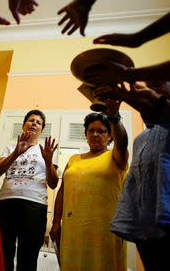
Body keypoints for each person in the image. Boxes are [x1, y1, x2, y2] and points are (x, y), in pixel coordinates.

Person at [93, 81, 170, 271]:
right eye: (149, 85)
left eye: (158, 83)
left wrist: (127, 95)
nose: (151, 90)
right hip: (147, 233)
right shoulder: (143, 139)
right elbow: (133, 186)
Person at [50, 99, 129, 270]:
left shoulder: (115, 157)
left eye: (101, 131)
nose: (95, 134)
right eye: (91, 131)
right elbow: (62, 193)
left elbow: (122, 145)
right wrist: (56, 222)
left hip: (104, 230)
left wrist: (114, 117)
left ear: (110, 136)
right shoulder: (73, 159)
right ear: (86, 134)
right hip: (73, 229)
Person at [0, 109, 59, 271]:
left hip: (35, 206)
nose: (34, 124)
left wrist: (49, 161)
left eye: (38, 123)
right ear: (23, 126)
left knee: (27, 257)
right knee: (2, 253)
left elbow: (53, 183)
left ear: (41, 130)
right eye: (31, 120)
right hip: (6, 203)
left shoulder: (46, 151)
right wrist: (16, 152)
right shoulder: (9, 148)